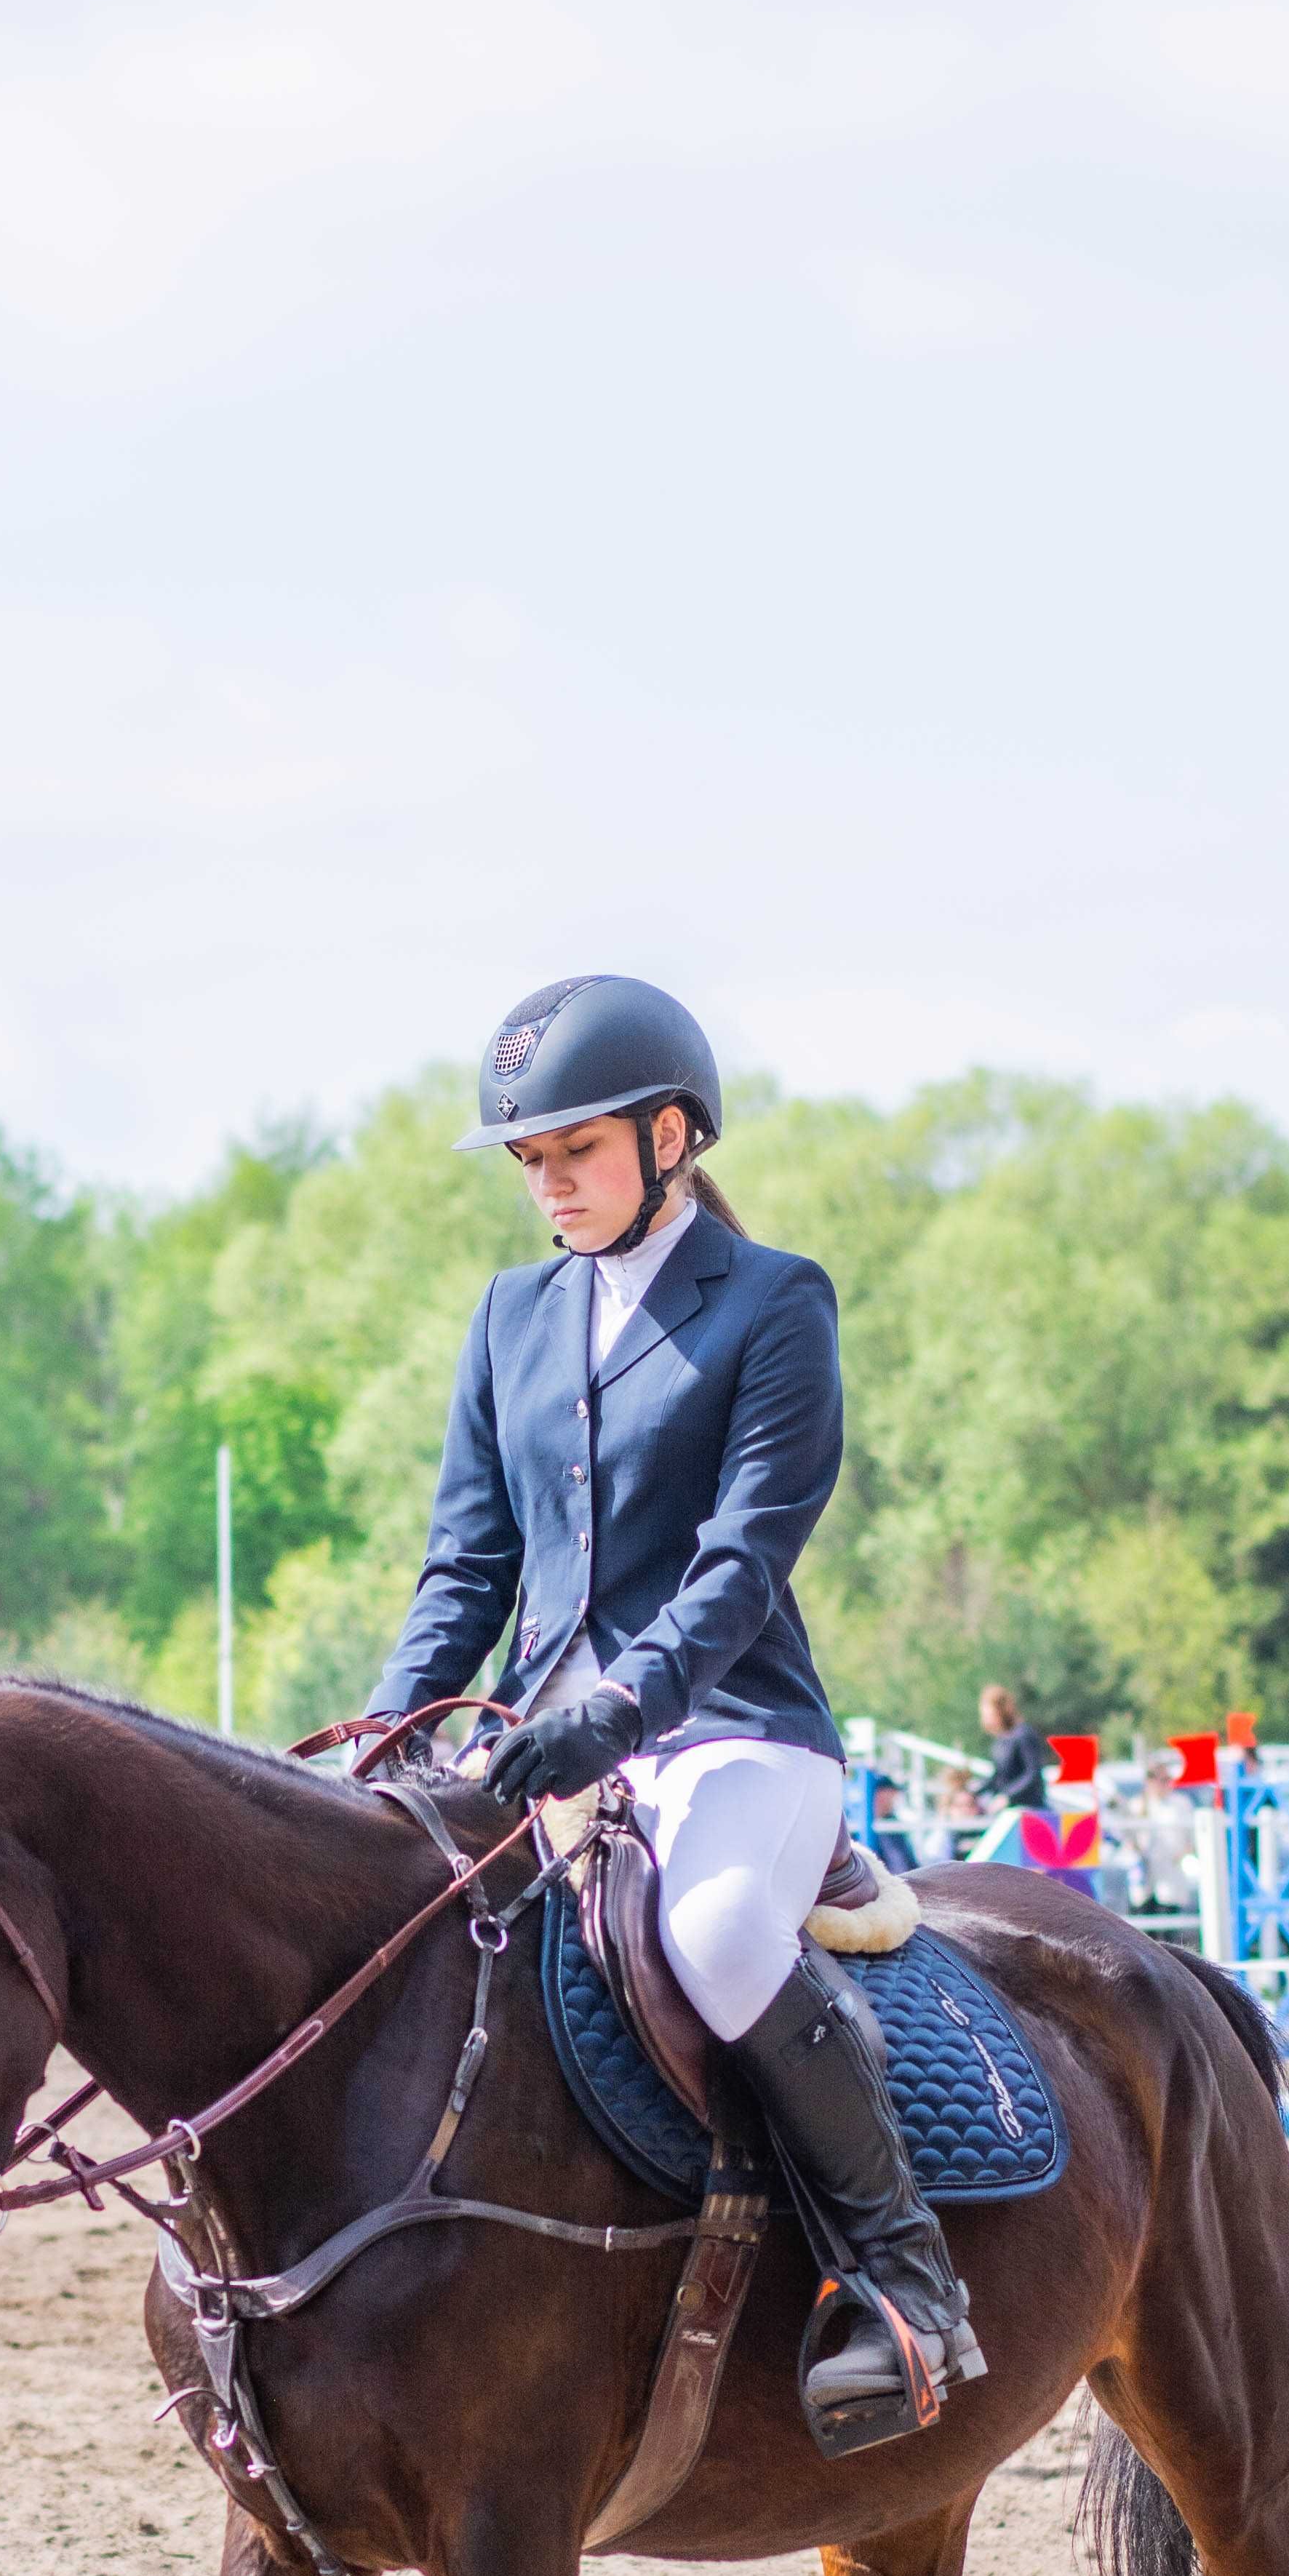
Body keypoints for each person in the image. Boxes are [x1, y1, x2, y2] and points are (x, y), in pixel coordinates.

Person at [364, 973, 983, 2455]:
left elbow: (741, 1555)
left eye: (570, 1153)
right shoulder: (509, 1319)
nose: (547, 1188)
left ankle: (899, 2272)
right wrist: (388, 1734)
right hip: (529, 1742)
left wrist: (618, 1709)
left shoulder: (771, 1303)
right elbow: (468, 1561)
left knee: (710, 1930)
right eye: (527, 1162)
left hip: (733, 1737)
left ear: (666, 1135)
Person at [976, 1684, 1055, 1813]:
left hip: (1029, 1807)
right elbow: (998, 1777)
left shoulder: (1024, 1734)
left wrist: (1008, 1797)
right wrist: (974, 1792)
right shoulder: (1000, 1741)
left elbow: (1033, 1774)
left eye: (990, 1714)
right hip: (1007, 1808)